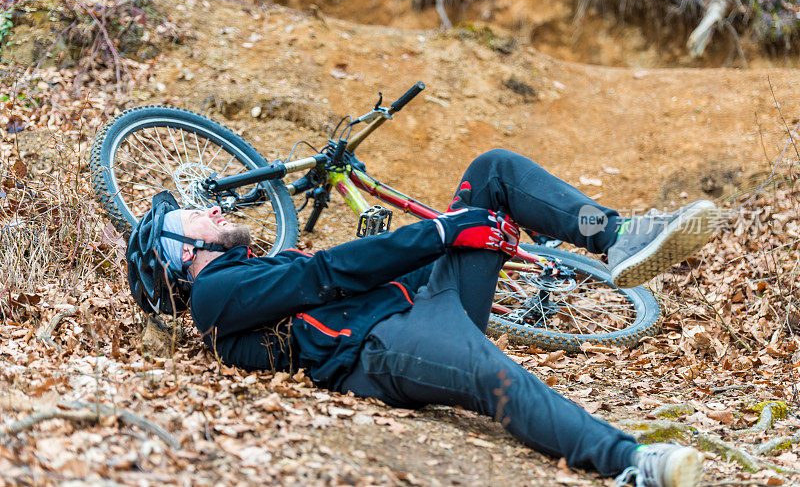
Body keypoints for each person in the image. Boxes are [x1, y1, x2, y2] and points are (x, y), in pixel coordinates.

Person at [127, 149, 717, 487]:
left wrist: (442, 241)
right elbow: (326, 275)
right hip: (386, 347)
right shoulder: (214, 297)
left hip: (412, 300)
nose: (209, 209)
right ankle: (633, 462)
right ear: (182, 254)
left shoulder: (242, 274)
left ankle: (616, 237)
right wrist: (441, 232)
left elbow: (328, 280)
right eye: (192, 216)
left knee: (493, 171)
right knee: (494, 376)